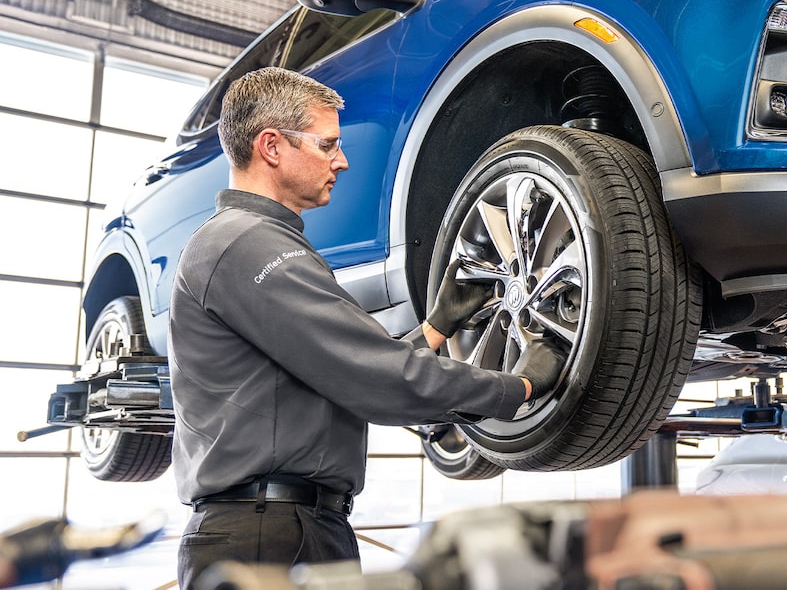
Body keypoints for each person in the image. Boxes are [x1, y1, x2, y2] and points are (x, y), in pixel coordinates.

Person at [168, 66, 564, 589]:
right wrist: (519, 386)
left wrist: (436, 327)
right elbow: (376, 379)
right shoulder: (247, 245)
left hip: (288, 526)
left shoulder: (254, 244)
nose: (342, 160)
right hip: (266, 535)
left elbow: (344, 372)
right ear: (271, 146)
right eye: (327, 144)